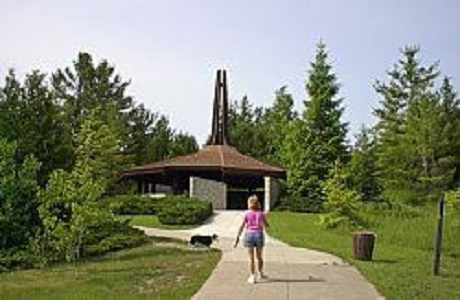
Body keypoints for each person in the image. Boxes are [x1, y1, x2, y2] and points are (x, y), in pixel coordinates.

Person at [236, 195, 270, 284]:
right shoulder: (261, 213)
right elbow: (266, 224)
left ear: (250, 204)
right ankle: (260, 273)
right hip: (259, 234)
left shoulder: (247, 213)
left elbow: (242, 225)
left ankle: (252, 276)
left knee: (251, 258)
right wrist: (267, 225)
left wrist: (238, 235)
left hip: (249, 234)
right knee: (259, 256)